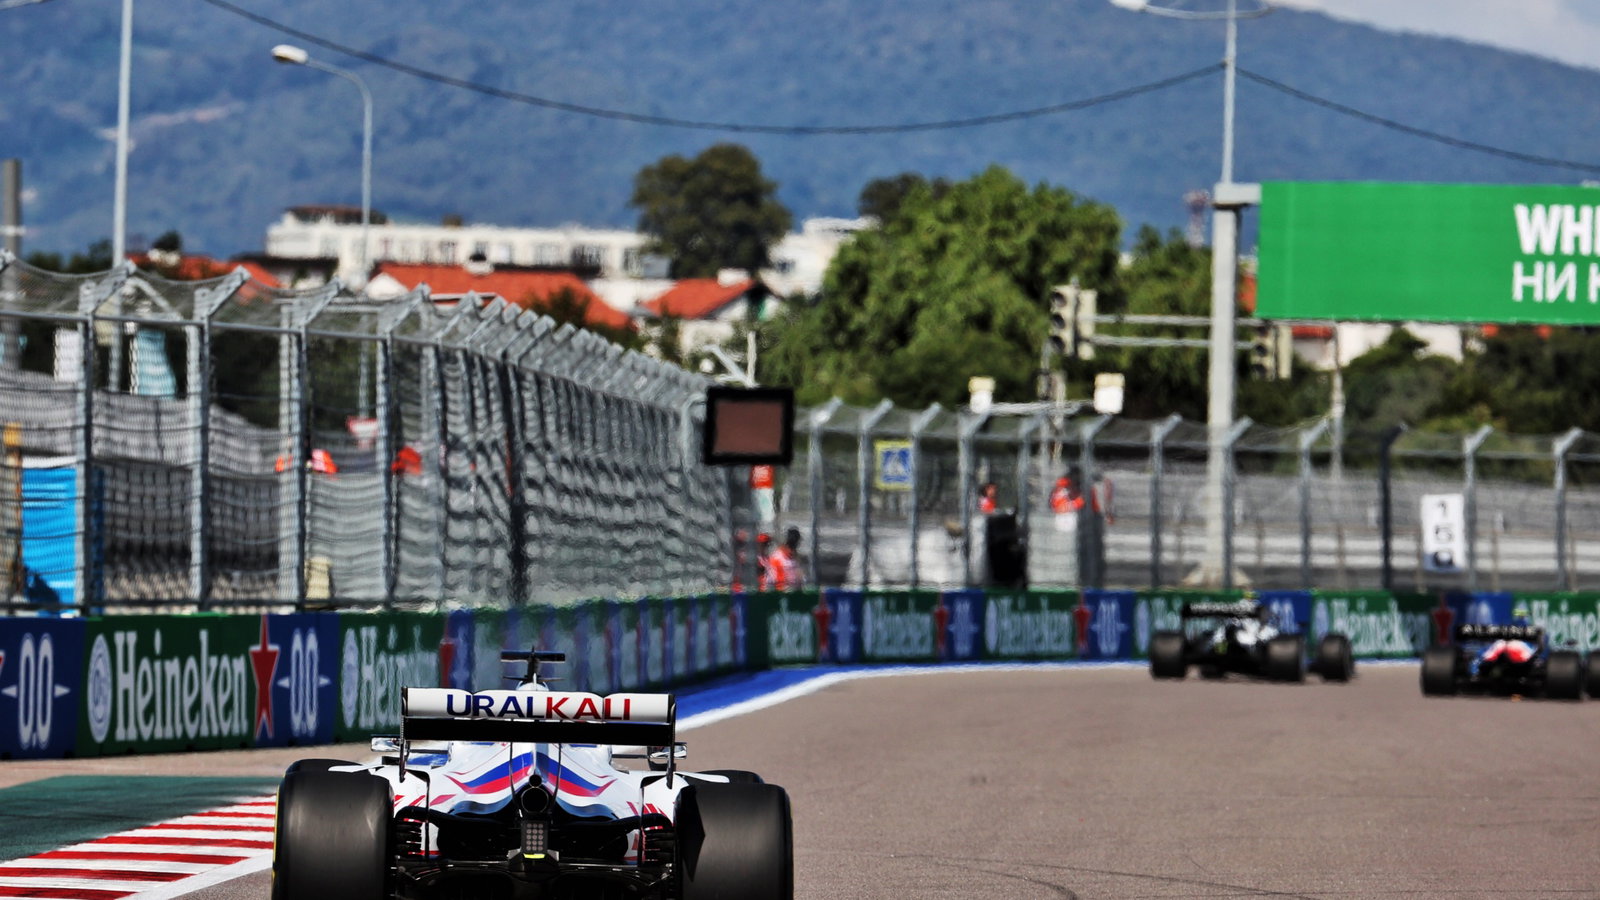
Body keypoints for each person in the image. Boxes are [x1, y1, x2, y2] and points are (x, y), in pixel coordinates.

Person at [766, 527, 805, 591]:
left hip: (795, 593)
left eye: (794, 546)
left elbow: (801, 580)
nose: (792, 550)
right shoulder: (776, 558)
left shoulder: (796, 559)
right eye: (790, 545)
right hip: (781, 594)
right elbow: (771, 582)